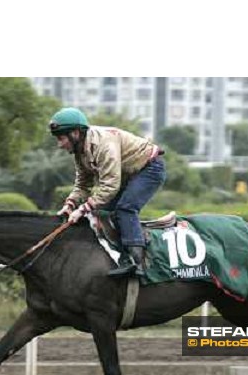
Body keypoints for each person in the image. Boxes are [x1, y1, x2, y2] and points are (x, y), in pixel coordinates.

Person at [50, 107, 166, 278]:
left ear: (75, 133)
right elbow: (83, 184)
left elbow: (110, 185)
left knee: (125, 209)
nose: (59, 145)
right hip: (128, 175)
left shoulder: (104, 145)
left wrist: (82, 209)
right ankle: (122, 256)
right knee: (101, 212)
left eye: (61, 138)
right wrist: (70, 204)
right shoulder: (79, 151)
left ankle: (138, 263)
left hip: (149, 169)